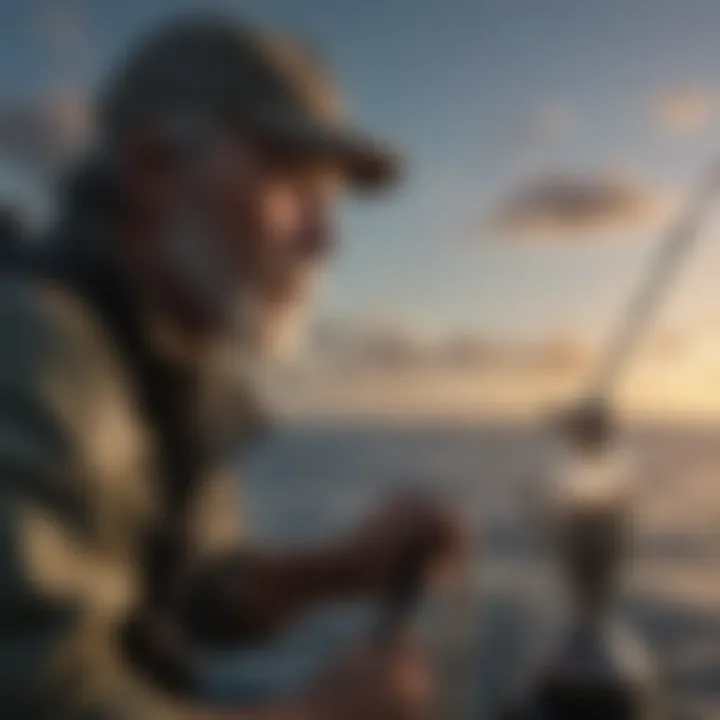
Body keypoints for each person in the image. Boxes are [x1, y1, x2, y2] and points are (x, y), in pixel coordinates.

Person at [0, 14, 461, 720]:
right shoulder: (33, 349)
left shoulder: (169, 363)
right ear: (154, 169)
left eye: (329, 201)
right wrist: (317, 714)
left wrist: (342, 568)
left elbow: (195, 592)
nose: (325, 239)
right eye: (291, 183)